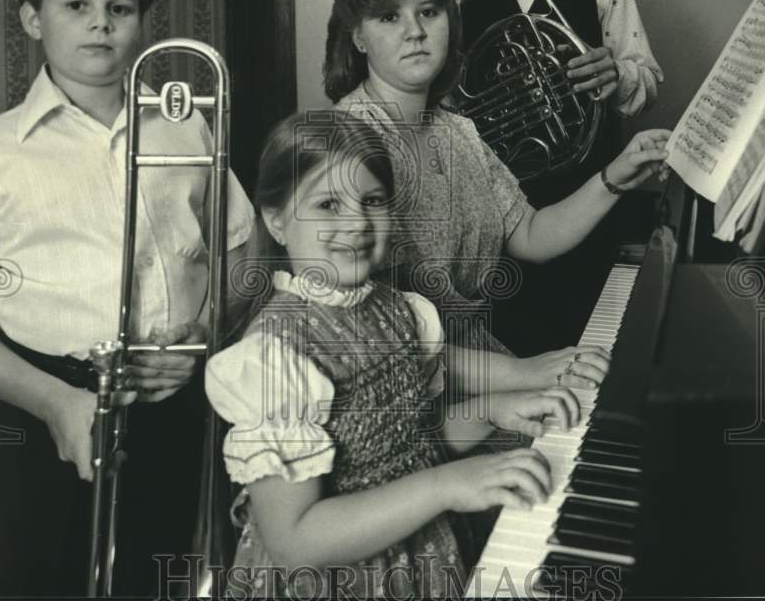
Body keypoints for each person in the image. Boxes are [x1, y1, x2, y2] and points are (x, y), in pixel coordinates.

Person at [0, 0, 255, 597]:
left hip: (179, 399)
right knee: (54, 578)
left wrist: (203, 335)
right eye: (76, 6)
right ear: (32, 19)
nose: (100, 25)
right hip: (46, 406)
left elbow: (241, 248)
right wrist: (56, 401)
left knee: (169, 569)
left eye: (119, 8)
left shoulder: (188, 126)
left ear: (142, 21)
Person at [205, 110, 584, 598]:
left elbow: (406, 451)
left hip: (415, 558)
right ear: (276, 221)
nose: (357, 223)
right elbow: (295, 542)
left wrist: (492, 409)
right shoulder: (274, 356)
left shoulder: (398, 310)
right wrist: (446, 485)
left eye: (372, 200)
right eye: (327, 205)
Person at [325, 0, 670, 371]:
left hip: (478, 361)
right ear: (358, 35)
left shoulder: (457, 130)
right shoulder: (345, 143)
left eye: (429, 11)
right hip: (408, 384)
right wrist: (524, 374)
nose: (414, 31)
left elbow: (530, 234)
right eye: (389, 16)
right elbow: (370, 334)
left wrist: (617, 175)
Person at [448, 0, 666, 352]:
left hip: (588, 201)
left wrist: (617, 76)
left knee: (587, 357)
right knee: (504, 361)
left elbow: (648, 79)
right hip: (494, 213)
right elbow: (447, 100)